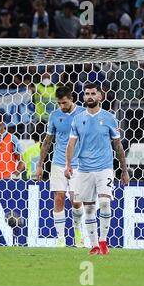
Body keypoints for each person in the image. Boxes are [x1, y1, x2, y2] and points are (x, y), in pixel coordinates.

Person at [65, 83, 129, 255]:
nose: (90, 96)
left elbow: (118, 145)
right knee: (89, 209)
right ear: (84, 97)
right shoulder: (77, 119)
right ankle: (93, 245)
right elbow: (71, 143)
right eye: (87, 94)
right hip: (84, 168)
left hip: (104, 167)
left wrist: (124, 170)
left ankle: (103, 242)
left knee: (105, 203)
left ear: (100, 97)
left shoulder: (109, 118)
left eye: (93, 93)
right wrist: (68, 164)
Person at [36, 86, 85, 248]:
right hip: (58, 162)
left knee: (76, 200)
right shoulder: (55, 116)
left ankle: (78, 230)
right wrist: (40, 164)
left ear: (72, 99)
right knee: (59, 198)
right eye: (59, 103)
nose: (62, 106)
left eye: (64, 103)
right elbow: (47, 141)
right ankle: (61, 239)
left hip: (79, 163)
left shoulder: (83, 114)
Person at [0, 113, 25, 180]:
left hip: (6, 181)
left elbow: (22, 162)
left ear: (2, 124)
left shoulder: (12, 139)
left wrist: (14, 175)